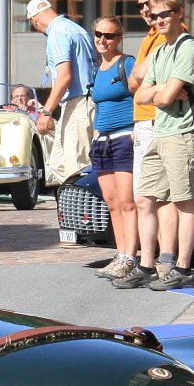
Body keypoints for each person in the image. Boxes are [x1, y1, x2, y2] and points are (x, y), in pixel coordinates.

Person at [117, 0, 194, 292]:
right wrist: (160, 89)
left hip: (182, 132)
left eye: (164, 14)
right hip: (160, 130)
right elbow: (140, 94)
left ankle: (183, 268)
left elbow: (166, 97)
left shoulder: (188, 48)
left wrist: (160, 91)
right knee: (146, 198)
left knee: (183, 201)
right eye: (154, 16)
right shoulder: (160, 51)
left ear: (179, 13)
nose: (158, 20)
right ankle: (146, 265)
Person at [25, 0, 96, 187]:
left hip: (78, 103)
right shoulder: (77, 29)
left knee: (76, 168)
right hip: (83, 101)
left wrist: (46, 112)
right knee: (58, 163)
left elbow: (64, 77)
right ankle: (77, 200)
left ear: (34, 20)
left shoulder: (57, 32)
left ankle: (85, 204)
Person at [86, 17, 137, 276]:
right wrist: (95, 136)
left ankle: (131, 257)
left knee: (128, 201)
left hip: (124, 136)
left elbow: (141, 96)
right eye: (99, 34)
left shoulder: (126, 64)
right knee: (111, 201)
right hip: (102, 140)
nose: (103, 40)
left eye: (109, 36)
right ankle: (120, 254)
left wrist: (138, 128)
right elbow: (99, 106)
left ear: (119, 38)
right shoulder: (97, 70)